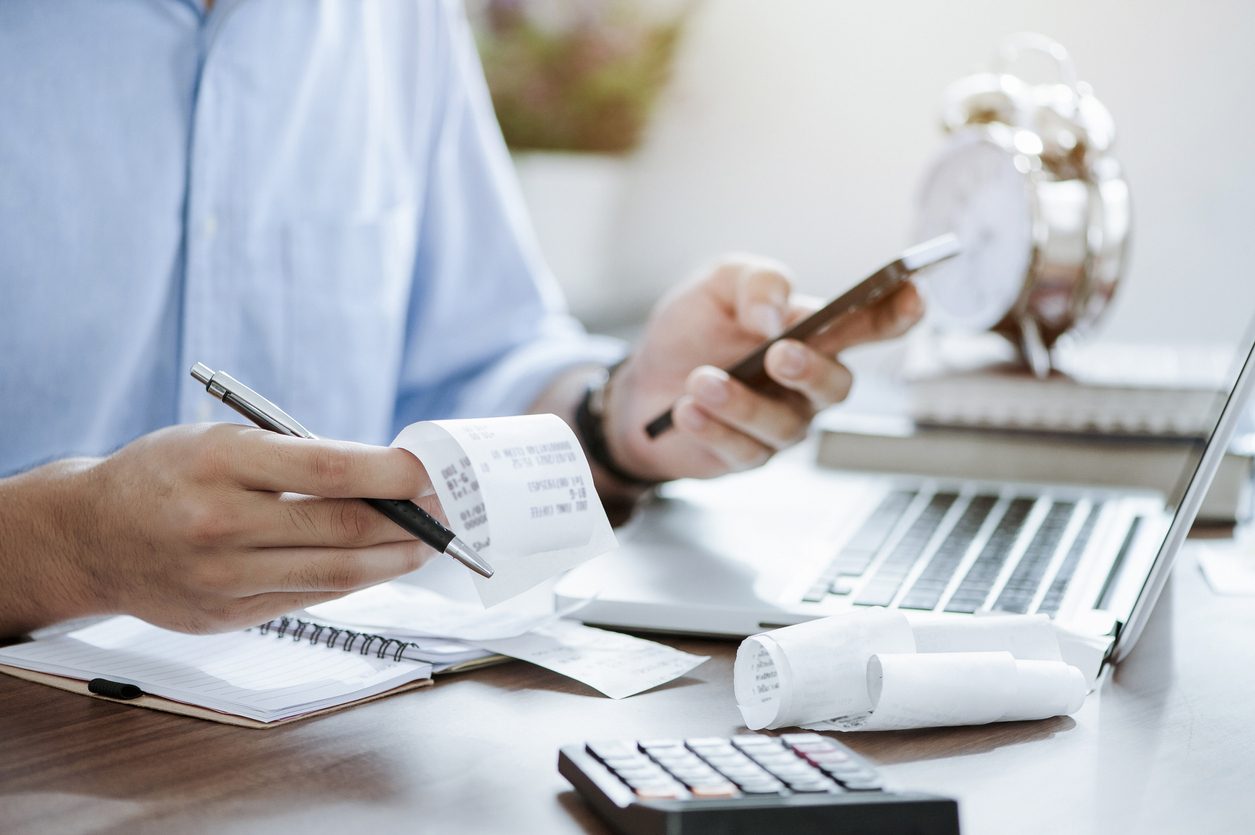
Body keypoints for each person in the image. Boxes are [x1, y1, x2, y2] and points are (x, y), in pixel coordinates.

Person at [0, 0, 921, 638]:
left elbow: (475, 356)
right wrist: (67, 546)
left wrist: (627, 411)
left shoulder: (395, 19)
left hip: (314, 727)